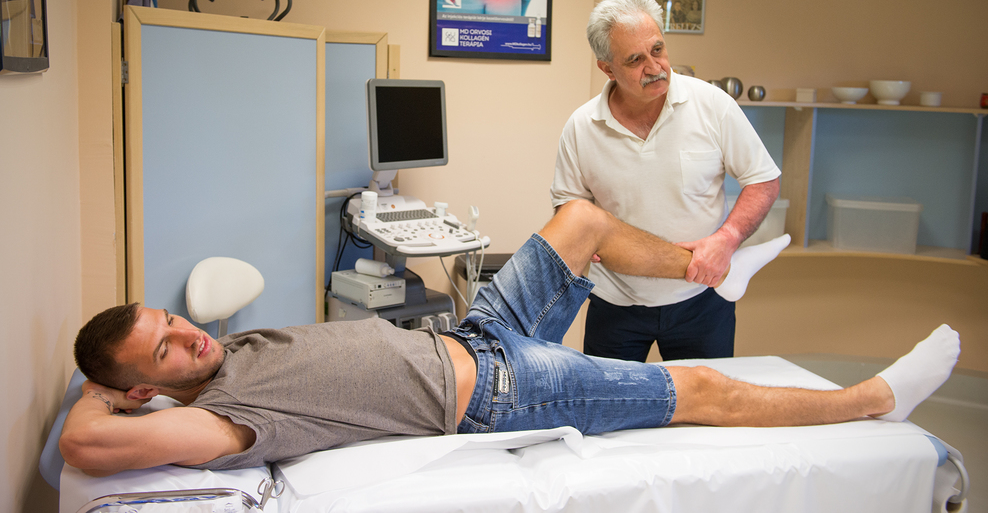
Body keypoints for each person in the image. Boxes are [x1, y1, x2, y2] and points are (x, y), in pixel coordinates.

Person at [60, 200, 960, 476]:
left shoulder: (231, 349)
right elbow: (86, 447)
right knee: (696, 389)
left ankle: (712, 270)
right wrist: (100, 396)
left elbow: (146, 377)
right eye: (165, 351)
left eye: (172, 321)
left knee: (582, 220)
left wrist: (133, 375)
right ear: (144, 391)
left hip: (475, 332)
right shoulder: (222, 416)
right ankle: (874, 399)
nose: (189, 337)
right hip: (501, 390)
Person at [550, 0, 782, 363]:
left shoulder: (713, 106)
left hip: (703, 301)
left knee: (704, 400)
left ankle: (730, 268)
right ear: (607, 68)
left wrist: (728, 239)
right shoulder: (581, 127)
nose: (654, 67)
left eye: (657, 49)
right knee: (611, 402)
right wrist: (582, 241)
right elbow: (569, 205)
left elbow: (764, 179)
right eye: (635, 60)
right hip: (615, 305)